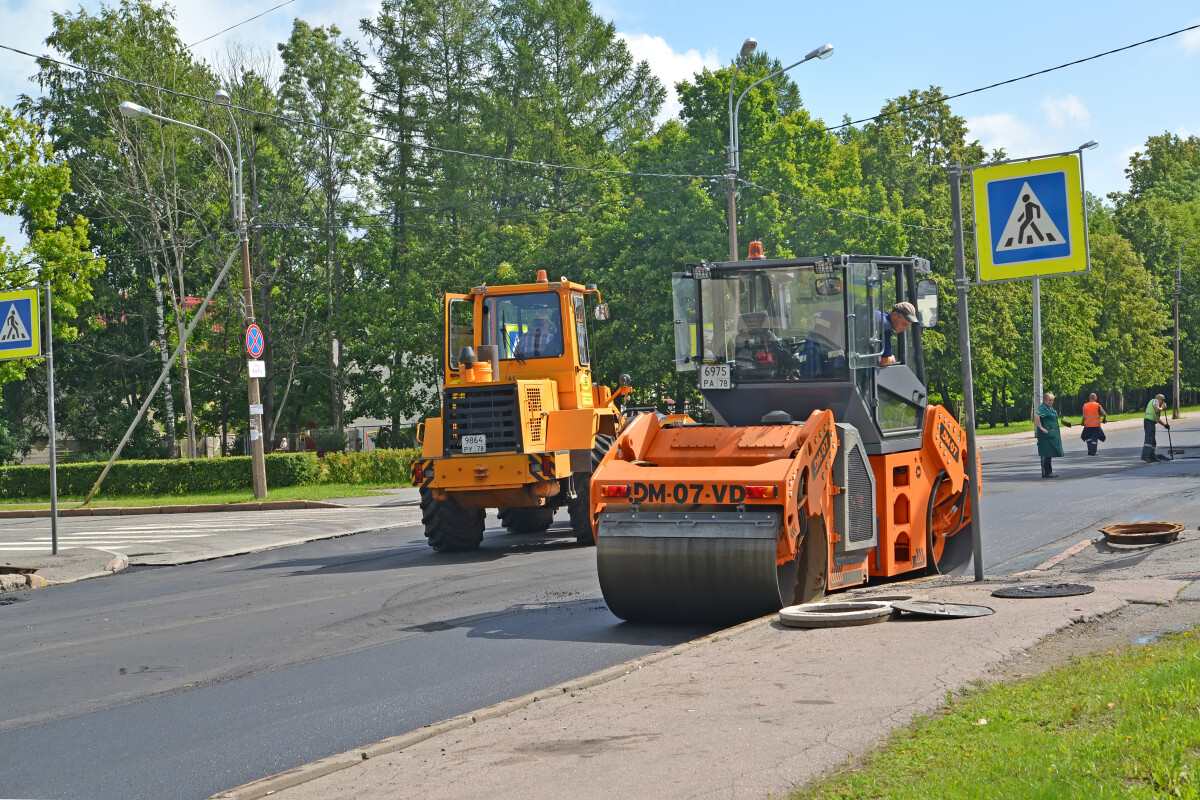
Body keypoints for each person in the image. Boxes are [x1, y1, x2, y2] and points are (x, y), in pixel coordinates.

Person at [1035, 392, 1072, 478]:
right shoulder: (1043, 408)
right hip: (1045, 435)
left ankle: (1049, 472)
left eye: (1052, 400)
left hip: (1051, 435)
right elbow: (1036, 415)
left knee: (1049, 453)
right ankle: (1046, 472)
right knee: (1045, 453)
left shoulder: (1050, 408)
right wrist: (1040, 427)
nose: (1051, 402)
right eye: (1049, 400)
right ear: (1045, 400)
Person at [878, 301, 920, 367]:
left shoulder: (880, 317)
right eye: (904, 324)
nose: (905, 329)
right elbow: (883, 361)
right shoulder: (885, 326)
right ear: (894, 315)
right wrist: (891, 359)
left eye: (907, 326)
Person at [1141, 394, 1170, 462]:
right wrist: (1162, 408)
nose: (1163, 402)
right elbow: (1157, 410)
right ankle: (1145, 456)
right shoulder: (1155, 401)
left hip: (1151, 422)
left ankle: (1151, 455)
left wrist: (1165, 425)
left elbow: (1157, 419)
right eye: (1162, 400)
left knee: (1153, 441)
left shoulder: (1157, 404)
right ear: (1159, 399)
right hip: (1149, 422)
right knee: (1149, 439)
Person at [1080, 392, 1107, 456]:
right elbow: (1104, 414)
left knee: (1088, 438)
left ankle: (1090, 450)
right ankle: (1094, 452)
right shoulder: (1098, 405)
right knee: (1094, 439)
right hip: (1096, 426)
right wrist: (1104, 419)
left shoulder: (1085, 405)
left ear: (1089, 398)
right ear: (1095, 398)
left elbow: (1084, 416)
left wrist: (1082, 422)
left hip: (1087, 426)